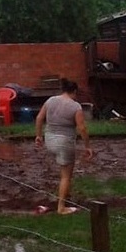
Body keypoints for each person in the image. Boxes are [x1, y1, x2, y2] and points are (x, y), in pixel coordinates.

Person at [35, 78, 93, 214]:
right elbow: (82, 128)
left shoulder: (50, 101)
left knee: (63, 173)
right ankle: (61, 207)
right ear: (74, 91)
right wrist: (87, 146)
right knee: (66, 176)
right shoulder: (75, 106)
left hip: (49, 140)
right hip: (65, 142)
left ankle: (65, 196)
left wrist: (38, 136)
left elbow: (39, 118)